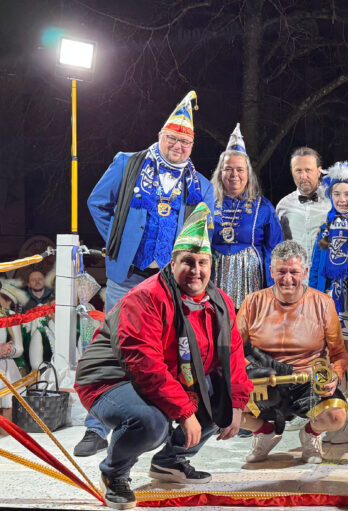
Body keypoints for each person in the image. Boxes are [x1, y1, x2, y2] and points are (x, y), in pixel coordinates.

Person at [74, 203, 252, 510]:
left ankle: (170, 463)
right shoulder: (146, 297)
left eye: (203, 262)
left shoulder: (220, 301)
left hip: (169, 378)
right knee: (151, 423)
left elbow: (233, 354)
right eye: (188, 262)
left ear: (211, 266)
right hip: (111, 380)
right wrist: (185, 412)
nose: (196, 270)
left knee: (219, 399)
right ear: (172, 263)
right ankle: (115, 473)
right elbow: (144, 364)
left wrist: (236, 403)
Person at [81, 91, 215, 458]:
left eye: (185, 142)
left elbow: (202, 232)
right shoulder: (128, 164)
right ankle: (95, 426)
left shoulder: (200, 185)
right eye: (172, 138)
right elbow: (97, 202)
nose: (177, 146)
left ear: (192, 146)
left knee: (165, 349)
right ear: (160, 136)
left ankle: (165, 417)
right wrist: (118, 239)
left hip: (167, 282)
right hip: (127, 274)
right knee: (110, 346)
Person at [236, 240, 348, 464]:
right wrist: (244, 377)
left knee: (336, 415)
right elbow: (234, 351)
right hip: (265, 380)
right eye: (281, 271)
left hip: (306, 379)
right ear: (271, 271)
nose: (287, 279)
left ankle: (310, 434)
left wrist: (334, 376)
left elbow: (339, 355)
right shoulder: (253, 301)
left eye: (294, 272)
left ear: (305, 272)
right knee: (225, 404)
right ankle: (264, 433)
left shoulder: (323, 303)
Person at [309, 160, 348, 444]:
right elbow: (314, 268)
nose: (343, 199)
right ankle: (338, 414)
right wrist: (311, 302)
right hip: (329, 306)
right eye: (337, 194)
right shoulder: (324, 229)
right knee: (333, 362)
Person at [210, 124, 283, 308]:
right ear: (220, 173)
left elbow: (275, 251)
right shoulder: (207, 203)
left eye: (240, 169)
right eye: (228, 169)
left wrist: (274, 290)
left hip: (251, 285)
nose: (234, 174)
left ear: (248, 174)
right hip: (212, 284)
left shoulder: (264, 207)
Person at [276, 147, 331, 270]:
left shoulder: (332, 202)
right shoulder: (283, 206)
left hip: (325, 278)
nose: (303, 176)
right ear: (292, 172)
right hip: (296, 279)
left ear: (319, 171)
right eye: (298, 171)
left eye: (308, 170)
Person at [0, 280, 27, 412]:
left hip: (7, 372)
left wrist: (9, 350)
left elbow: (19, 349)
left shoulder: (10, 316)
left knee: (9, 413)